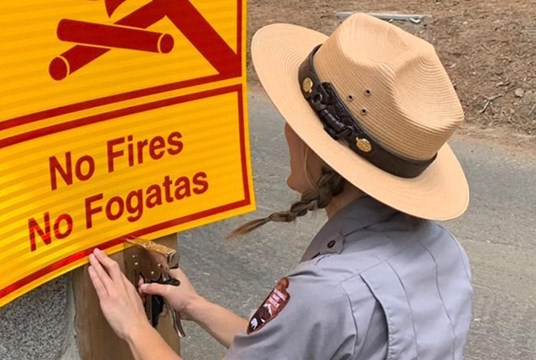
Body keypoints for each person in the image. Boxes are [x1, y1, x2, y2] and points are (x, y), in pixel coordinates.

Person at [86, 13, 473, 359]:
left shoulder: (328, 293)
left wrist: (133, 326)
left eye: (296, 120)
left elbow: (311, 326)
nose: (288, 130)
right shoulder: (444, 253)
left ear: (321, 152)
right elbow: (295, 346)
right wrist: (195, 306)